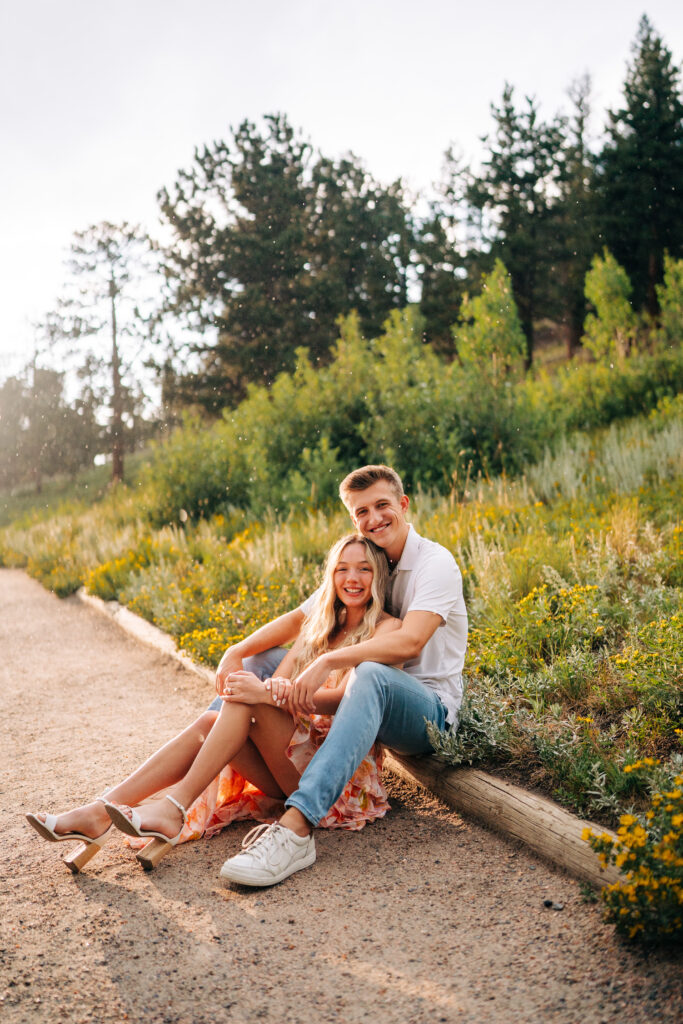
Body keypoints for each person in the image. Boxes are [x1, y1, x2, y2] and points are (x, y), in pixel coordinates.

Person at [26, 533, 400, 873]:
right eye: (343, 569)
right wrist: (260, 687)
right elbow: (282, 685)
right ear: (331, 576)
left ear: (378, 576)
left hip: (335, 775)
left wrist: (261, 693)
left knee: (245, 701)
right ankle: (99, 810)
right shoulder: (320, 625)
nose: (353, 578)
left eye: (364, 569)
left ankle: (169, 809)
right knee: (214, 720)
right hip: (290, 758)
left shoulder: (387, 628)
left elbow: (343, 701)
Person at [217, 463, 468, 887]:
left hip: (427, 713)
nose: (374, 519)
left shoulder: (434, 563)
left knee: (369, 672)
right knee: (259, 665)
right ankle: (199, 779)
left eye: (383, 506)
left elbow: (410, 643)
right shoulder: (366, 560)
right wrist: (237, 651)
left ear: (403, 505)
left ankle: (297, 828)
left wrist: (330, 661)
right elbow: (301, 619)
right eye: (361, 512)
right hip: (367, 701)